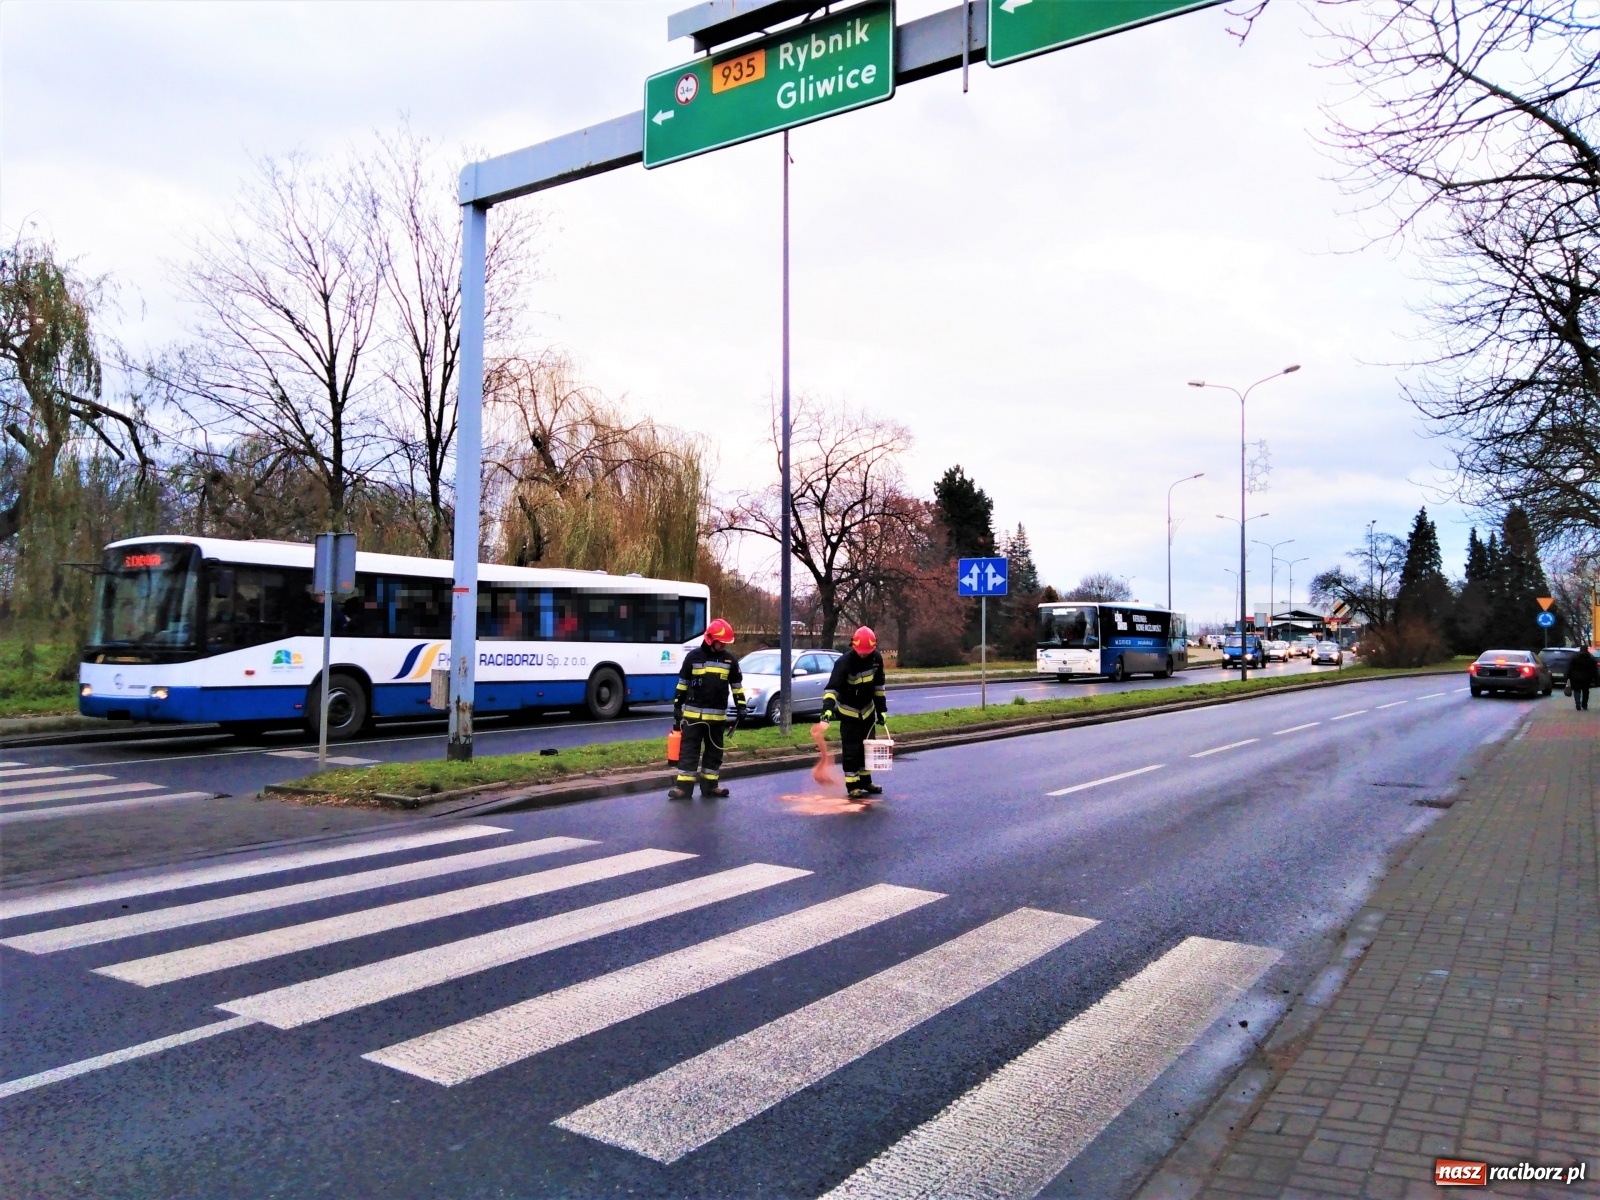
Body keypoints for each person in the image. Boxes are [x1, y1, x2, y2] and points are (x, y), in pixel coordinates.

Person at [669, 618, 747, 800]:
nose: (724, 646)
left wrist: (741, 707)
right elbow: (682, 684)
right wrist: (677, 705)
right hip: (693, 717)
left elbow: (736, 686)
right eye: (722, 642)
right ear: (711, 639)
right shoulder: (693, 657)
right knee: (689, 751)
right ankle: (684, 789)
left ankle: (711, 786)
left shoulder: (729, 660)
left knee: (714, 753)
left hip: (717, 719)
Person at [816, 626, 888, 801]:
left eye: (867, 652)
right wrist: (827, 708)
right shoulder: (844, 662)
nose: (863, 655)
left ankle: (866, 781)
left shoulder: (876, 659)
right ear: (853, 646)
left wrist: (882, 711)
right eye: (861, 652)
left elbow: (879, 688)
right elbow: (833, 688)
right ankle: (853, 786)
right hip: (849, 713)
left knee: (868, 749)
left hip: (868, 711)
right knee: (851, 750)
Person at [1567, 645, 1597, 712]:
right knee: (1585, 691)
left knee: (1577, 690)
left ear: (1580, 649)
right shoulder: (1590, 658)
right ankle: (1584, 705)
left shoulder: (1574, 657)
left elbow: (1570, 667)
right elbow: (1594, 669)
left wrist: (1567, 676)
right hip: (1587, 677)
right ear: (1587, 650)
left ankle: (1578, 703)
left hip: (1576, 677)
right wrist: (1596, 679)